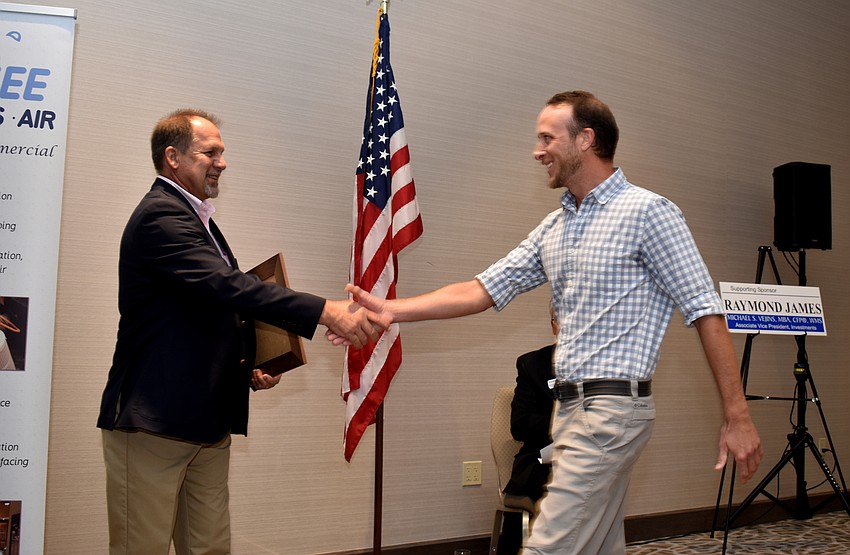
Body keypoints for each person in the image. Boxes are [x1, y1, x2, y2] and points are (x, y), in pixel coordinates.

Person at [343, 91, 763, 554]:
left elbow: (706, 309)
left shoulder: (648, 212)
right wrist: (390, 310)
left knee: (547, 548)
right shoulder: (554, 228)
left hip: (610, 413)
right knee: (598, 547)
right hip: (568, 414)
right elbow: (480, 289)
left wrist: (737, 414)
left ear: (586, 139)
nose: (537, 150)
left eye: (548, 137)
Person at [96, 108, 381, 555]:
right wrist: (326, 311)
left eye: (222, 153)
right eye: (210, 152)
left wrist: (248, 364)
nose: (222, 162)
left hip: (206, 422)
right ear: (172, 157)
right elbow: (230, 287)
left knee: (211, 548)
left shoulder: (196, 218)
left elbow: (212, 308)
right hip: (152, 423)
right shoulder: (160, 216)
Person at [498, 304, 558, 555]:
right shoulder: (533, 365)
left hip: (589, 455)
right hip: (541, 458)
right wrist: (565, 423)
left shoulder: (600, 365)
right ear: (553, 324)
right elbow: (519, 425)